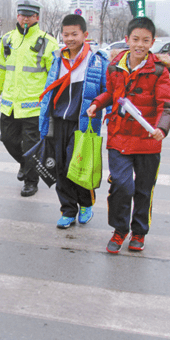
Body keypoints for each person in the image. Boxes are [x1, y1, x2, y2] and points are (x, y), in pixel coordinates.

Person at [87, 17, 170, 253]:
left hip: (148, 140)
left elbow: (166, 105)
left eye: (145, 40)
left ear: (152, 42)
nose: (140, 44)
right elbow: (110, 94)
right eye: (135, 39)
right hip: (119, 137)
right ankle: (119, 230)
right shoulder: (115, 67)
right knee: (122, 186)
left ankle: (139, 231)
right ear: (127, 40)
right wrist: (97, 104)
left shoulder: (158, 71)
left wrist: (161, 128)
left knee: (144, 189)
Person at [39, 14, 109, 229]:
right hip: (58, 120)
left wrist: (110, 113)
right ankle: (68, 210)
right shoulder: (58, 58)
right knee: (60, 165)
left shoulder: (96, 60)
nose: (69, 38)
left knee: (77, 164)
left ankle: (86, 204)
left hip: (83, 122)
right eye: (66, 34)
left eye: (74, 34)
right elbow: (50, 87)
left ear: (85, 35)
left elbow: (108, 90)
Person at [0, 0, 59, 197]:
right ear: (17, 16)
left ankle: (30, 181)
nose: (25, 19)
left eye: (29, 15)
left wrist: (51, 103)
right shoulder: (7, 40)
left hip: (34, 107)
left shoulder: (47, 42)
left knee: (31, 147)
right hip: (10, 105)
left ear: (37, 17)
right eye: (22, 15)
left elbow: (54, 77)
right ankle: (24, 163)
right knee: (7, 139)